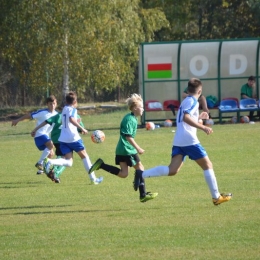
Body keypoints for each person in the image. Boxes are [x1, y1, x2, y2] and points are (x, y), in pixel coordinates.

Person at [133, 78, 232, 206]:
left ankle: (141, 174)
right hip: (189, 139)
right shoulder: (193, 102)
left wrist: (199, 117)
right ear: (200, 91)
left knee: (172, 170)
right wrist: (203, 127)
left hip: (179, 139)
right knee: (208, 165)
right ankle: (216, 197)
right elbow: (185, 118)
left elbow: (186, 117)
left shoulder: (186, 100)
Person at [88, 93, 158, 203]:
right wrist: (138, 148)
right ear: (135, 108)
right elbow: (128, 136)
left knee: (124, 174)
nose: (143, 109)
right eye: (141, 107)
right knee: (140, 168)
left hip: (120, 149)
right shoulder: (130, 119)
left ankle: (101, 165)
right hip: (127, 149)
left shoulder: (131, 118)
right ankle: (142, 194)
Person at [43, 91, 103, 185]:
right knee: (85, 157)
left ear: (66, 101)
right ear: (75, 102)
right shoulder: (73, 109)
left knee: (69, 162)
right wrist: (81, 127)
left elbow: (66, 121)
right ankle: (93, 179)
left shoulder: (64, 109)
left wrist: (76, 123)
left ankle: (50, 161)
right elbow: (71, 119)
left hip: (63, 139)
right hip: (73, 138)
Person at [31, 113, 87, 184]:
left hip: (55, 138)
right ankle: (54, 171)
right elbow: (81, 130)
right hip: (65, 139)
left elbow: (47, 121)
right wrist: (81, 129)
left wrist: (35, 129)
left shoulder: (58, 115)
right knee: (67, 159)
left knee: (62, 157)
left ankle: (54, 173)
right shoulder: (76, 116)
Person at [11, 95, 58, 174]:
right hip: (39, 135)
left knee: (51, 154)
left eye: (54, 103)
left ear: (56, 103)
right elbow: (29, 115)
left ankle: (41, 169)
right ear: (47, 104)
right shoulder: (42, 112)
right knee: (50, 145)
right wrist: (17, 120)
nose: (52, 105)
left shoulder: (57, 115)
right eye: (50, 104)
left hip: (46, 136)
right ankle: (40, 162)